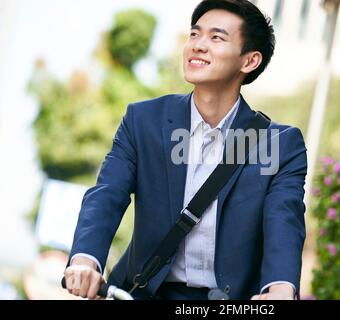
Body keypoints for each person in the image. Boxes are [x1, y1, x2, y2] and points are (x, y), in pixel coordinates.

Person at [64, 0, 307, 300]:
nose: (198, 45)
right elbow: (107, 196)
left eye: (216, 37)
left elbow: (284, 222)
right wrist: (85, 260)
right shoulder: (143, 121)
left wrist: (281, 288)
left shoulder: (280, 144)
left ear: (249, 61)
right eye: (195, 34)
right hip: (143, 292)